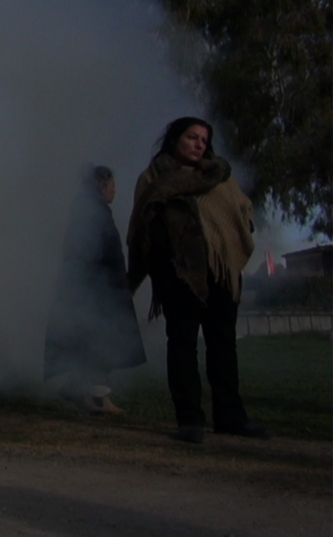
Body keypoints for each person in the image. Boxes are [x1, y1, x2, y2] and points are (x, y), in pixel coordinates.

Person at [127, 117, 268, 444]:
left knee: (223, 345)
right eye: (192, 137)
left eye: (204, 140)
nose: (199, 144)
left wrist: (238, 234)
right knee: (182, 344)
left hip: (220, 273)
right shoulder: (153, 178)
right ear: (175, 139)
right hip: (179, 273)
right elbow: (141, 226)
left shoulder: (219, 176)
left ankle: (231, 417)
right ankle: (189, 420)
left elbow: (239, 211)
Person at [44, 165, 146, 414]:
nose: (114, 192)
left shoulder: (87, 209)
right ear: (102, 185)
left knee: (94, 345)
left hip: (97, 290)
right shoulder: (93, 212)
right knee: (102, 344)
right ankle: (100, 398)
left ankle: (75, 387)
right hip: (99, 292)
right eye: (112, 187)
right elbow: (90, 255)